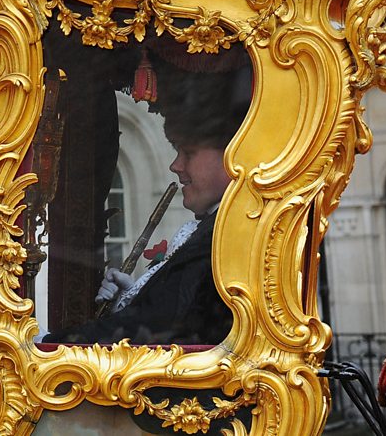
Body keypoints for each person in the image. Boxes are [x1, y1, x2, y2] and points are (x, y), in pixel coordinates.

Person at [45, 62, 248, 345]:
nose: (175, 165)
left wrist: (51, 344)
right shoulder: (215, 233)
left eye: (187, 152)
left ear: (232, 156)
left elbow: (158, 324)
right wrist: (138, 293)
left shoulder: (225, 240)